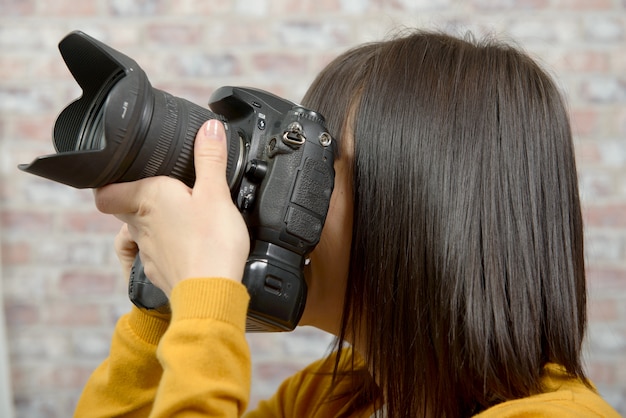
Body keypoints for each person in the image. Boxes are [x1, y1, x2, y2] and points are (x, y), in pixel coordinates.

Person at [73, 30, 621, 417]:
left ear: (424, 212)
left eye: (317, 165)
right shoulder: (336, 398)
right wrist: (161, 310)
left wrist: (206, 297)